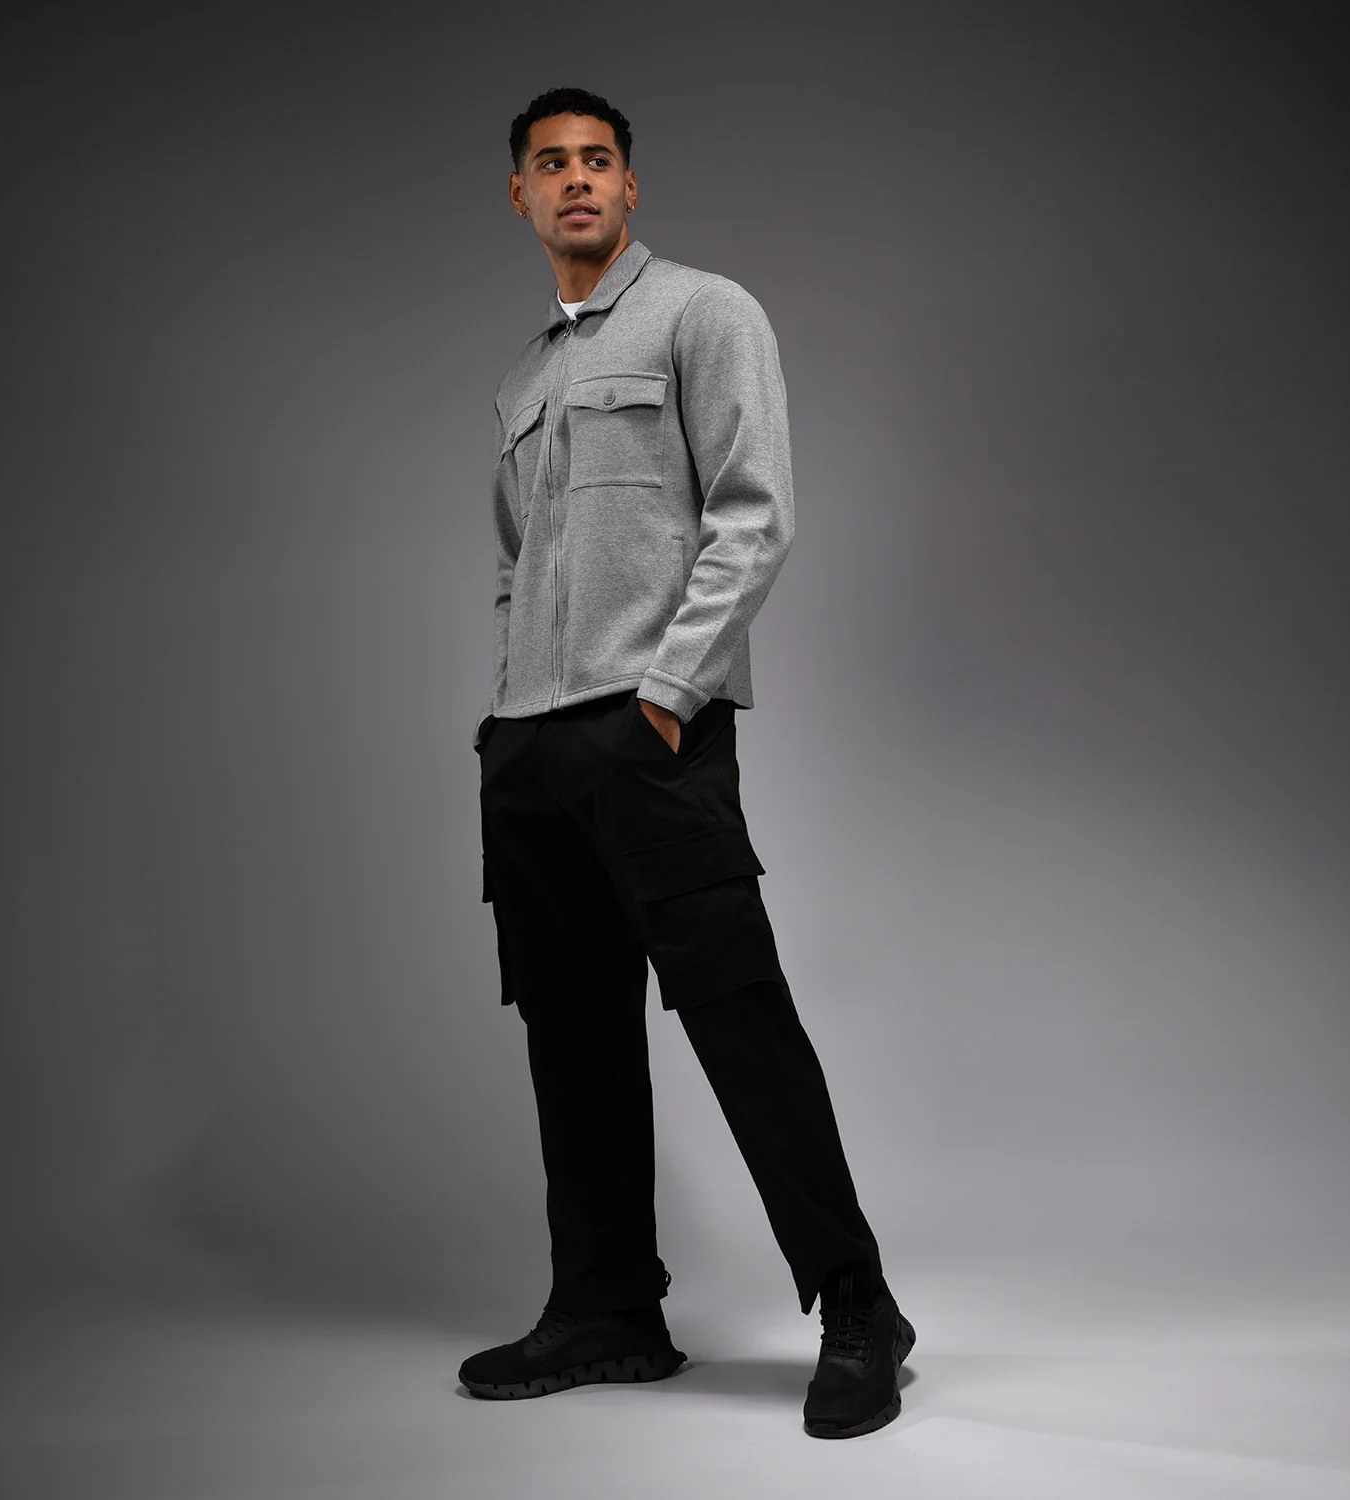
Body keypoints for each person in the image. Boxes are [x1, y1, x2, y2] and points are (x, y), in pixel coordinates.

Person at [460, 86, 914, 1440]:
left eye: (598, 160)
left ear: (630, 185)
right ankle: (607, 1307)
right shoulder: (525, 377)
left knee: (738, 1017)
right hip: (532, 747)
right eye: (552, 163)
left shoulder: (704, 314)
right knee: (573, 1035)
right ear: (520, 194)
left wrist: (666, 694)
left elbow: (754, 513)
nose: (577, 180)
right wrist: (508, 716)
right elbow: (516, 564)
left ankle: (859, 1306)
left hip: (651, 738)